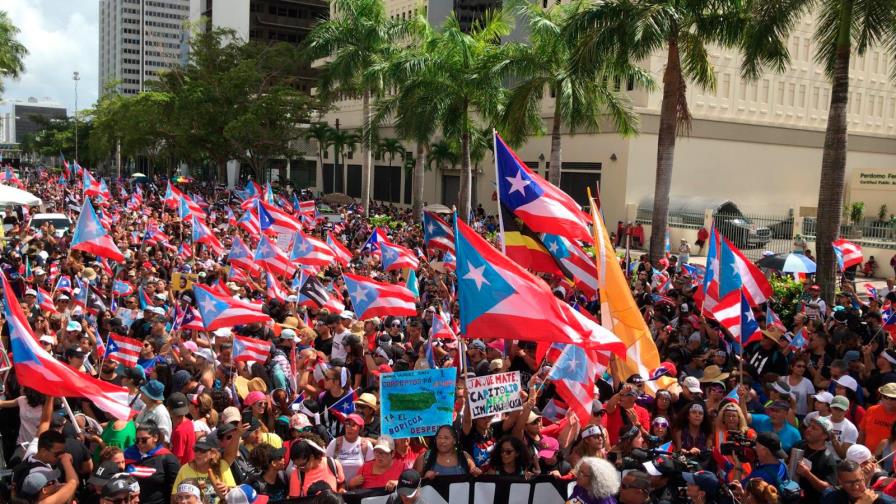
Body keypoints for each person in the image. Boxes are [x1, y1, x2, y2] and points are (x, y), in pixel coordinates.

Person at [123, 422, 180, 504]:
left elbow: (175, 488)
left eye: (144, 440)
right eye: (137, 440)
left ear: (155, 438)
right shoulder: (128, 455)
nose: (140, 443)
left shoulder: (167, 459)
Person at [172, 437, 236, 503]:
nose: (198, 454)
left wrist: (228, 489)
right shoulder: (184, 469)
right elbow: (173, 498)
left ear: (213, 454)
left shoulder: (222, 465)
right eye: (196, 450)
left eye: (203, 451)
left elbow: (235, 494)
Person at [794, 416, 839, 501]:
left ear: (824, 436)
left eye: (814, 428)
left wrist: (807, 474)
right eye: (809, 426)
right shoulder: (800, 445)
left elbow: (828, 488)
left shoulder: (828, 459)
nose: (808, 429)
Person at [413, 425, 479, 478]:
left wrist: (477, 473)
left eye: (446, 438)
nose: (442, 441)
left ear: (454, 440)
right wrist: (425, 478)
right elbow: (413, 484)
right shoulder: (424, 458)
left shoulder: (465, 457)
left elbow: (475, 476)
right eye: (439, 437)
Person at [325, 413, 374, 482]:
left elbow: (370, 469)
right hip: (338, 486)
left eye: (353, 425)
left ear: (360, 428)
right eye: (347, 424)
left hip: (359, 486)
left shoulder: (366, 445)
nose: (349, 427)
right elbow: (326, 465)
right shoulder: (335, 443)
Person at [821, 460, 896, 504]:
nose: (855, 487)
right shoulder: (831, 496)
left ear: (863, 478)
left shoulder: (883, 500)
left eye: (858, 480)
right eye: (849, 482)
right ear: (840, 481)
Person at [860, 383, 896, 453]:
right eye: (885, 397)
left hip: (889, 458)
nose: (888, 400)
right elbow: (862, 433)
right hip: (867, 456)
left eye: (893, 398)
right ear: (881, 397)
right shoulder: (871, 410)